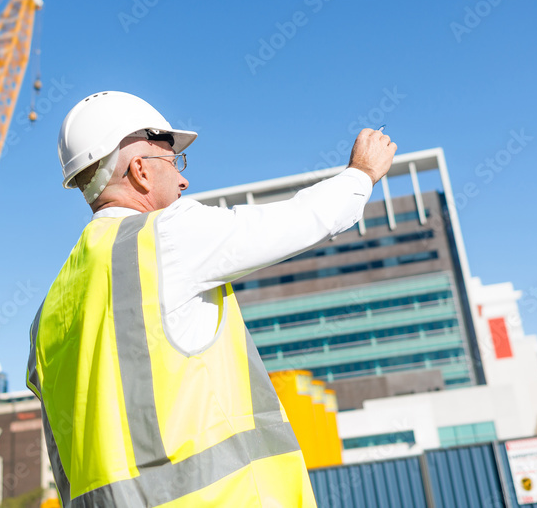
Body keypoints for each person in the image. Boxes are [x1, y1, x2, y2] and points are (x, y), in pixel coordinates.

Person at [27, 91, 396, 507]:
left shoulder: (49, 311)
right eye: (172, 161)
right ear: (140, 171)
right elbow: (297, 222)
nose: (183, 179)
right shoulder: (164, 236)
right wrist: (361, 173)